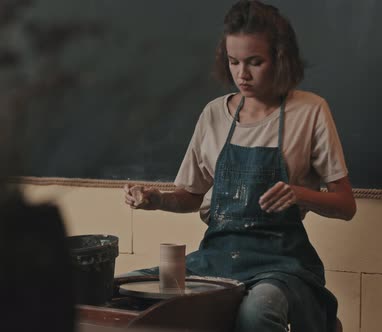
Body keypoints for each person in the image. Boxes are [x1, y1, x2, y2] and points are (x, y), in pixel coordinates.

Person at [123, 1, 356, 331]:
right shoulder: (214, 114)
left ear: (280, 57)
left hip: (281, 263)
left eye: (255, 62)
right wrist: (157, 199)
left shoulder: (310, 111)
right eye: (233, 62)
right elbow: (190, 195)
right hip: (216, 258)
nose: (241, 74)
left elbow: (346, 206)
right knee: (125, 291)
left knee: (257, 312)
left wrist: (299, 194)